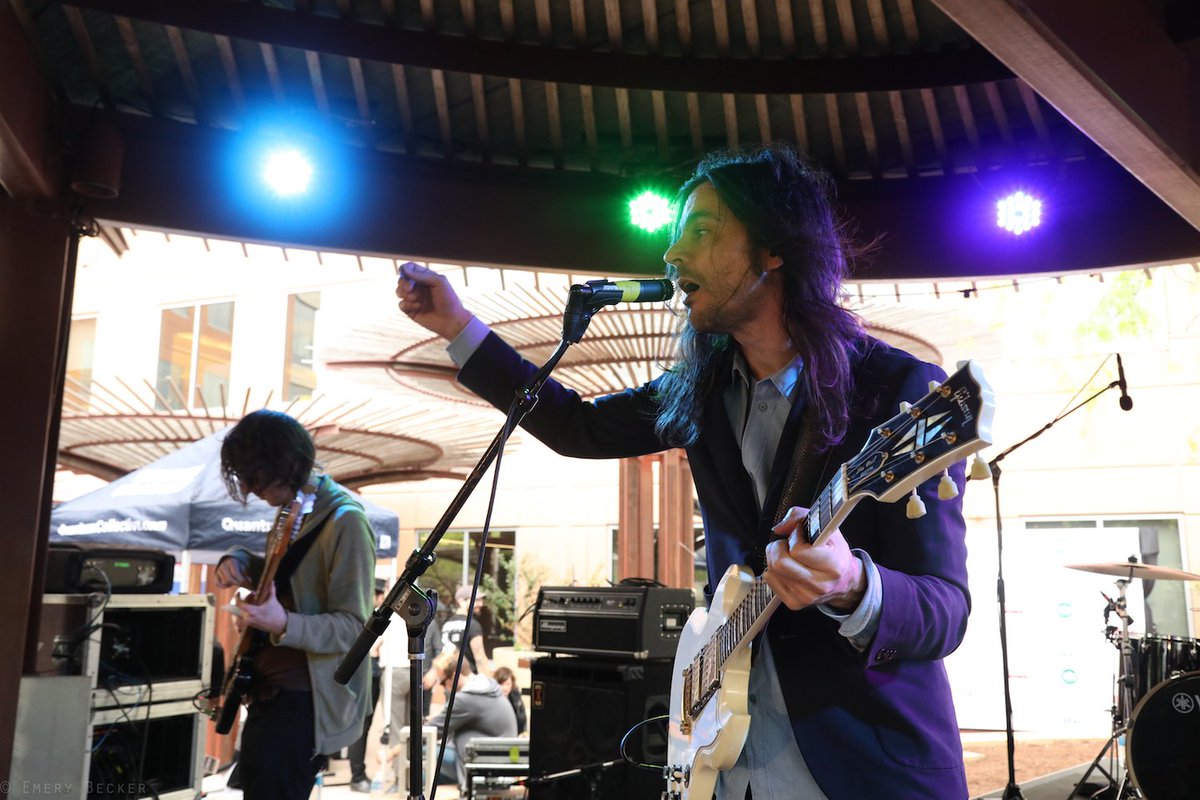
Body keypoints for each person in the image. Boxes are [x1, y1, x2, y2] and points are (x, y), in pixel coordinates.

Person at [394, 143, 971, 799]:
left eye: (699, 232)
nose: (671, 255)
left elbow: (946, 610)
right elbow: (575, 426)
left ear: (773, 249)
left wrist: (852, 585)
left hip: (863, 767)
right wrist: (456, 325)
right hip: (728, 764)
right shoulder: (702, 389)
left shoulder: (899, 392)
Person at [213, 409, 376, 799]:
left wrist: (283, 623)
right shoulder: (292, 510)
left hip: (302, 707)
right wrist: (239, 560)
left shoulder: (346, 521)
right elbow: (285, 577)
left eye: (253, 474)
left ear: (283, 462)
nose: (249, 487)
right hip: (267, 696)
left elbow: (356, 630)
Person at [424, 648, 518, 792]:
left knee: (422, 751)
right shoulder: (485, 685)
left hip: (484, 766)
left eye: (442, 683)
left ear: (454, 676)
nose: (443, 688)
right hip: (500, 761)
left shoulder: (465, 699)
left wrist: (396, 750)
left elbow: (432, 731)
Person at [345, 580, 387, 792]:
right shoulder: (366, 615)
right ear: (377, 596)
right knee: (361, 724)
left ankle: (358, 774)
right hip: (366, 673)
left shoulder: (364, 613)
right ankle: (357, 775)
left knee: (362, 724)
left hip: (370, 672)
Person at [439, 585, 493, 677]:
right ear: (461, 601)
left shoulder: (446, 625)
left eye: (481, 600)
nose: (481, 604)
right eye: (476, 600)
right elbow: (480, 660)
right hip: (469, 680)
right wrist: (490, 683)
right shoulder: (472, 625)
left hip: (451, 680)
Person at [492, 665, 526, 735]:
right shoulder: (492, 699)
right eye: (501, 684)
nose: (504, 688)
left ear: (512, 684)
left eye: (507, 684)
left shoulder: (515, 698)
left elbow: (522, 718)